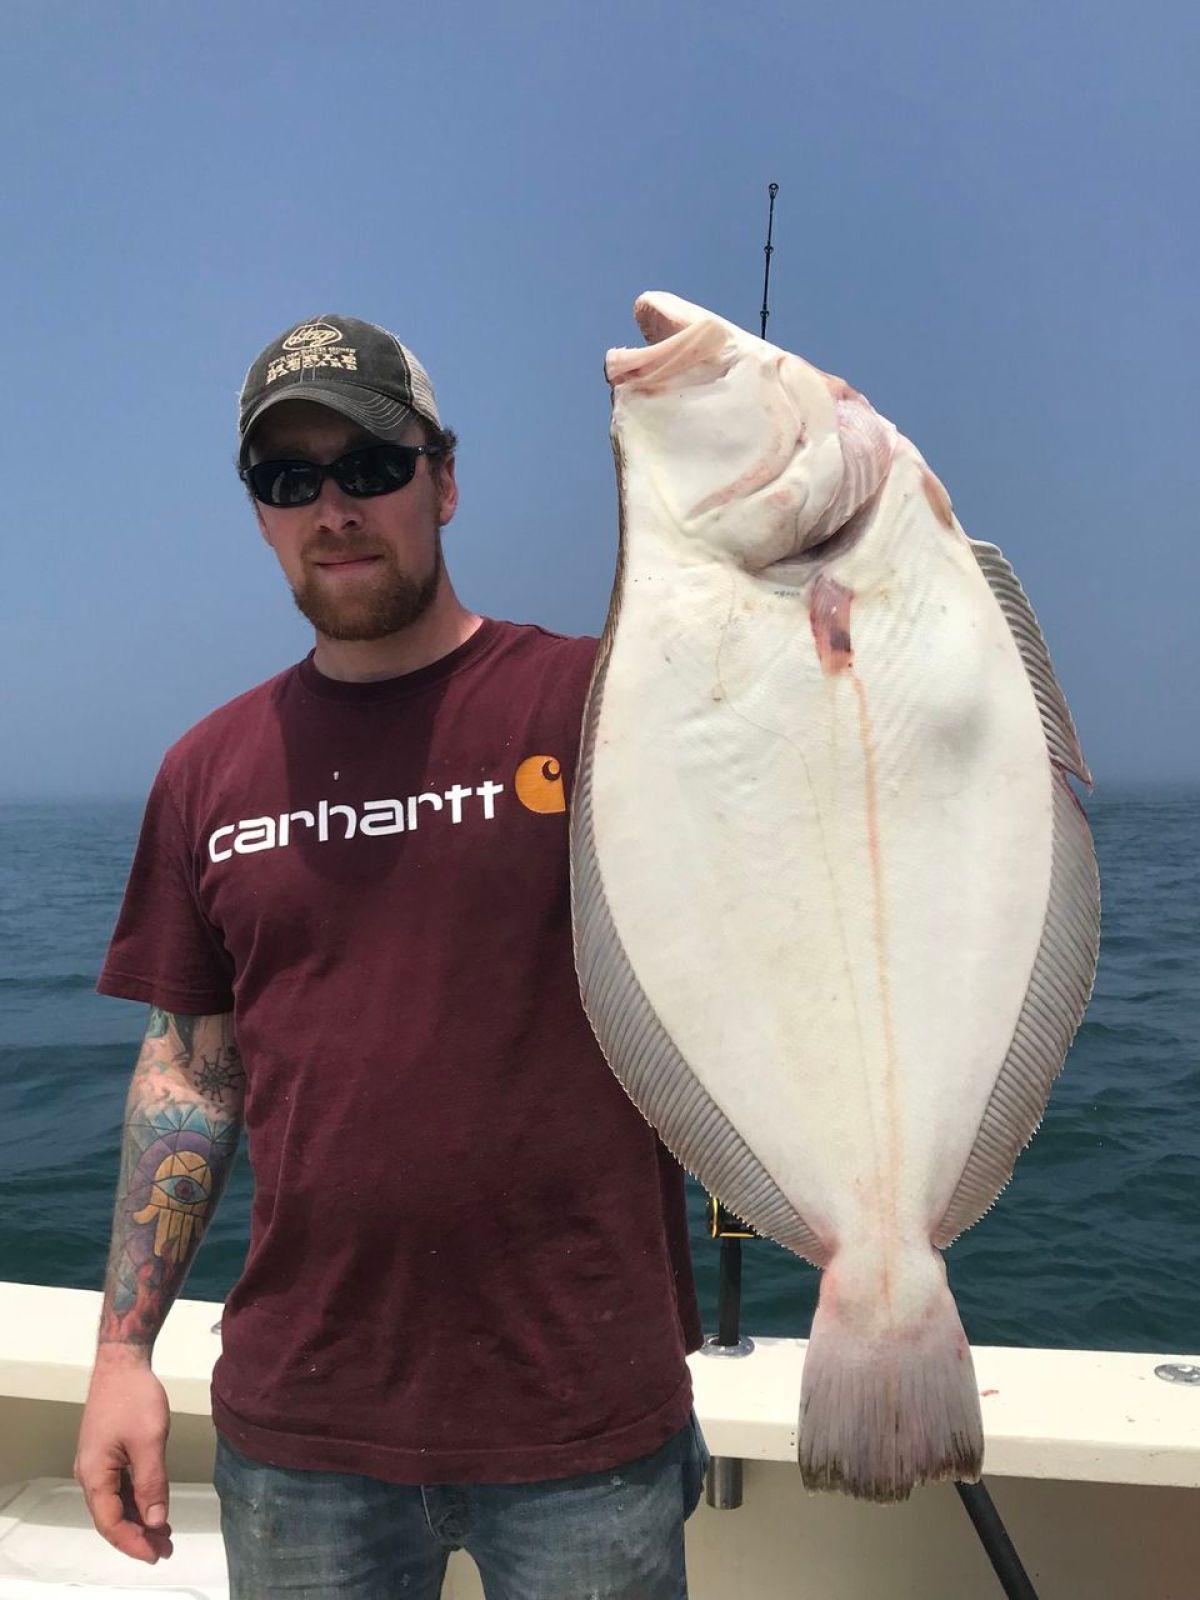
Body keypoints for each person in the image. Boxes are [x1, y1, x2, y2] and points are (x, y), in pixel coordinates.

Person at [75, 314, 707, 1599]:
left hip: (586, 1411)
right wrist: (122, 1353)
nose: (334, 509)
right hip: (302, 1431)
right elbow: (191, 1072)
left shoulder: (605, 706)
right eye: (289, 479)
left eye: (370, 467)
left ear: (445, 481)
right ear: (260, 514)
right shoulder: (207, 771)